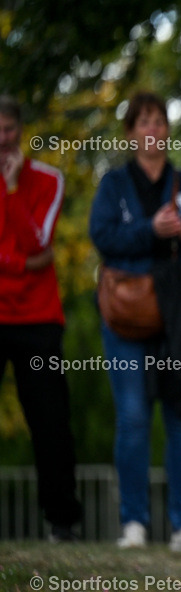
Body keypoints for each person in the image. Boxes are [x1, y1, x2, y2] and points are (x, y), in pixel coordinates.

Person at [89, 91, 181, 550]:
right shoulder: (113, 185)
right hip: (127, 322)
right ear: (131, 133)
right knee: (132, 419)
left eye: (160, 121)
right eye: (143, 122)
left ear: (168, 131)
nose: (153, 130)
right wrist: (150, 230)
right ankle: (133, 523)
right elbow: (102, 236)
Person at [0, 95, 83, 541]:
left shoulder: (47, 180)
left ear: (21, 130)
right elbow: (29, 259)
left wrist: (12, 191)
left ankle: (62, 521)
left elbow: (38, 244)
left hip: (38, 318)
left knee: (50, 422)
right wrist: (20, 264)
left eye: (9, 129)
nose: (2, 139)